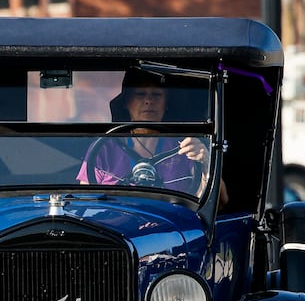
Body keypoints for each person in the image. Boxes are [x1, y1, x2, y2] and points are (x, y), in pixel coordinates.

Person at [80, 69, 223, 203]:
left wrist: (206, 161)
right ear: (126, 103)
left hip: (171, 225)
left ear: (166, 104)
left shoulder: (186, 146)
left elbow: (221, 200)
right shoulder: (105, 148)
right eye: (140, 94)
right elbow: (84, 201)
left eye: (157, 95)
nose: (149, 101)